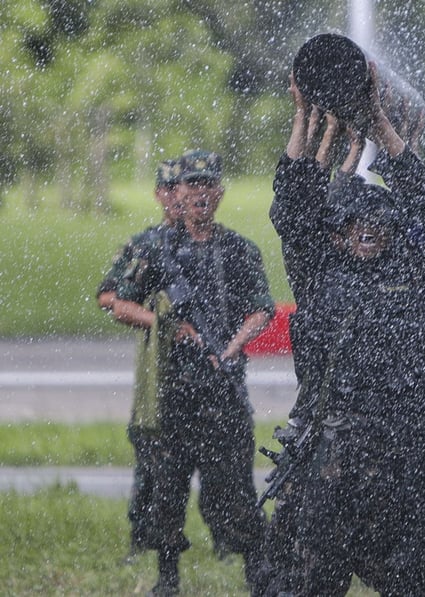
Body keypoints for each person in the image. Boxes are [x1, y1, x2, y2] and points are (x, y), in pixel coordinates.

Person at [264, 62, 425, 595]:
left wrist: (382, 127)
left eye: (379, 223)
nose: (368, 230)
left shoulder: (417, 279)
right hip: (324, 468)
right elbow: (292, 209)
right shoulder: (317, 274)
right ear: (338, 233)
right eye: (356, 222)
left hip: (400, 468)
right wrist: (305, 120)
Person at [111, 149, 274, 596]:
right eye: (190, 186)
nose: (200, 194)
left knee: (236, 492)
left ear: (219, 193)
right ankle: (167, 578)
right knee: (168, 492)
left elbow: (262, 309)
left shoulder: (238, 250)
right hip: (173, 393)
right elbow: (117, 301)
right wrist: (165, 326)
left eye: (207, 186)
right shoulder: (156, 249)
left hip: (223, 392)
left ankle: (258, 571)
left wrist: (232, 346)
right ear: (175, 195)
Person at [97, 158, 184, 561]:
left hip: (205, 367)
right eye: (171, 189)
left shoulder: (218, 243)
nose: (178, 197)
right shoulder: (148, 245)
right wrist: (159, 319)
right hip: (160, 368)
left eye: (185, 187)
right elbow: (110, 297)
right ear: (160, 194)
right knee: (152, 454)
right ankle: (143, 538)